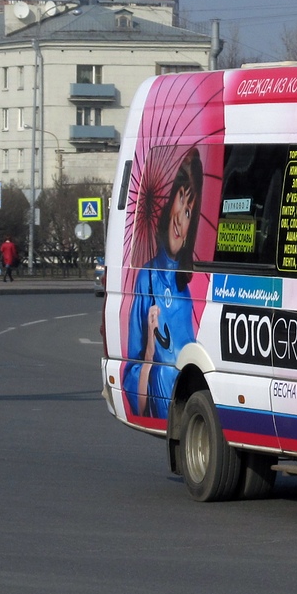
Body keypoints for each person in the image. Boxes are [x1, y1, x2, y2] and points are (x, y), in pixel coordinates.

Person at [122, 149, 203, 419]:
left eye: (190, 212)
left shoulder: (187, 288)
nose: (181, 218)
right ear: (170, 204)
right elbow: (131, 373)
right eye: (181, 199)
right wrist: (149, 353)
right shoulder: (147, 277)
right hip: (165, 403)